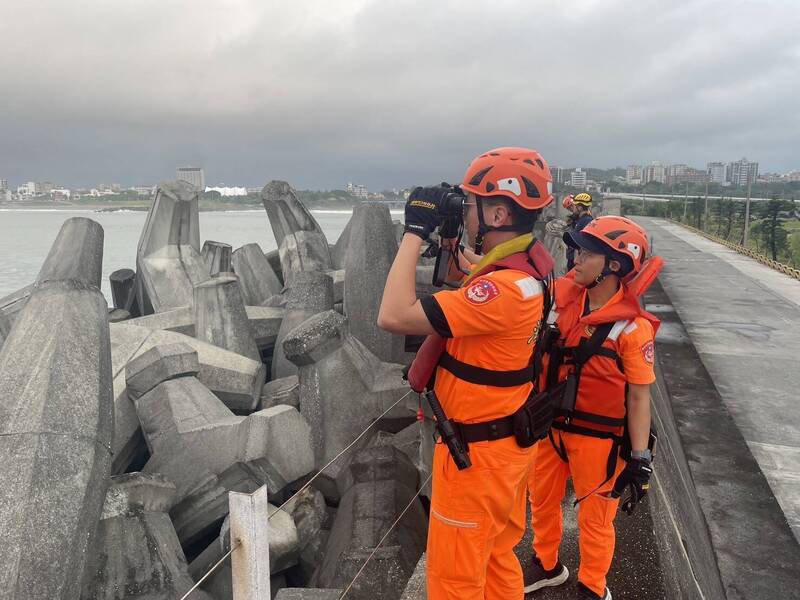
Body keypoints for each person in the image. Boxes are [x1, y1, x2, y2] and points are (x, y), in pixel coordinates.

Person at [378, 147, 556, 600]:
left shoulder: (503, 292)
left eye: (471, 203)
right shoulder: (528, 267)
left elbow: (393, 314)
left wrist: (413, 232)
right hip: (506, 448)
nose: (465, 210)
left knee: (454, 580)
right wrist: (451, 239)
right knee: (496, 559)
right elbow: (472, 272)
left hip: (476, 460)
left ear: (498, 213)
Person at [523, 216, 660, 600]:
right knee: (541, 501)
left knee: (596, 518)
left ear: (614, 265)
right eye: (577, 251)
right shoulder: (559, 305)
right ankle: (546, 565)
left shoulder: (632, 329)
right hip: (549, 428)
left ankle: (592, 587)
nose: (576, 259)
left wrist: (639, 457)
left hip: (599, 439)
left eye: (586, 253)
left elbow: (639, 396)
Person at [565, 192, 594, 271]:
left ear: (580, 208)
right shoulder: (581, 220)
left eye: (574, 206)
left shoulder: (586, 221)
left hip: (582, 260)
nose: (572, 209)